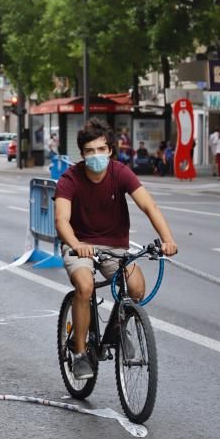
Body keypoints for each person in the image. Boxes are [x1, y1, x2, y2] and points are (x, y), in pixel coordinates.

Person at [53, 118, 178, 380]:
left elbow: (148, 206)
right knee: (85, 287)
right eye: (89, 151)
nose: (96, 155)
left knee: (136, 288)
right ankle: (79, 353)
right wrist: (76, 245)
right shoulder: (69, 179)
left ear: (110, 150)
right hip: (80, 245)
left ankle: (119, 329)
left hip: (115, 247)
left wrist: (167, 239)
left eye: (101, 149)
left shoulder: (120, 172)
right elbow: (61, 220)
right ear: (82, 154)